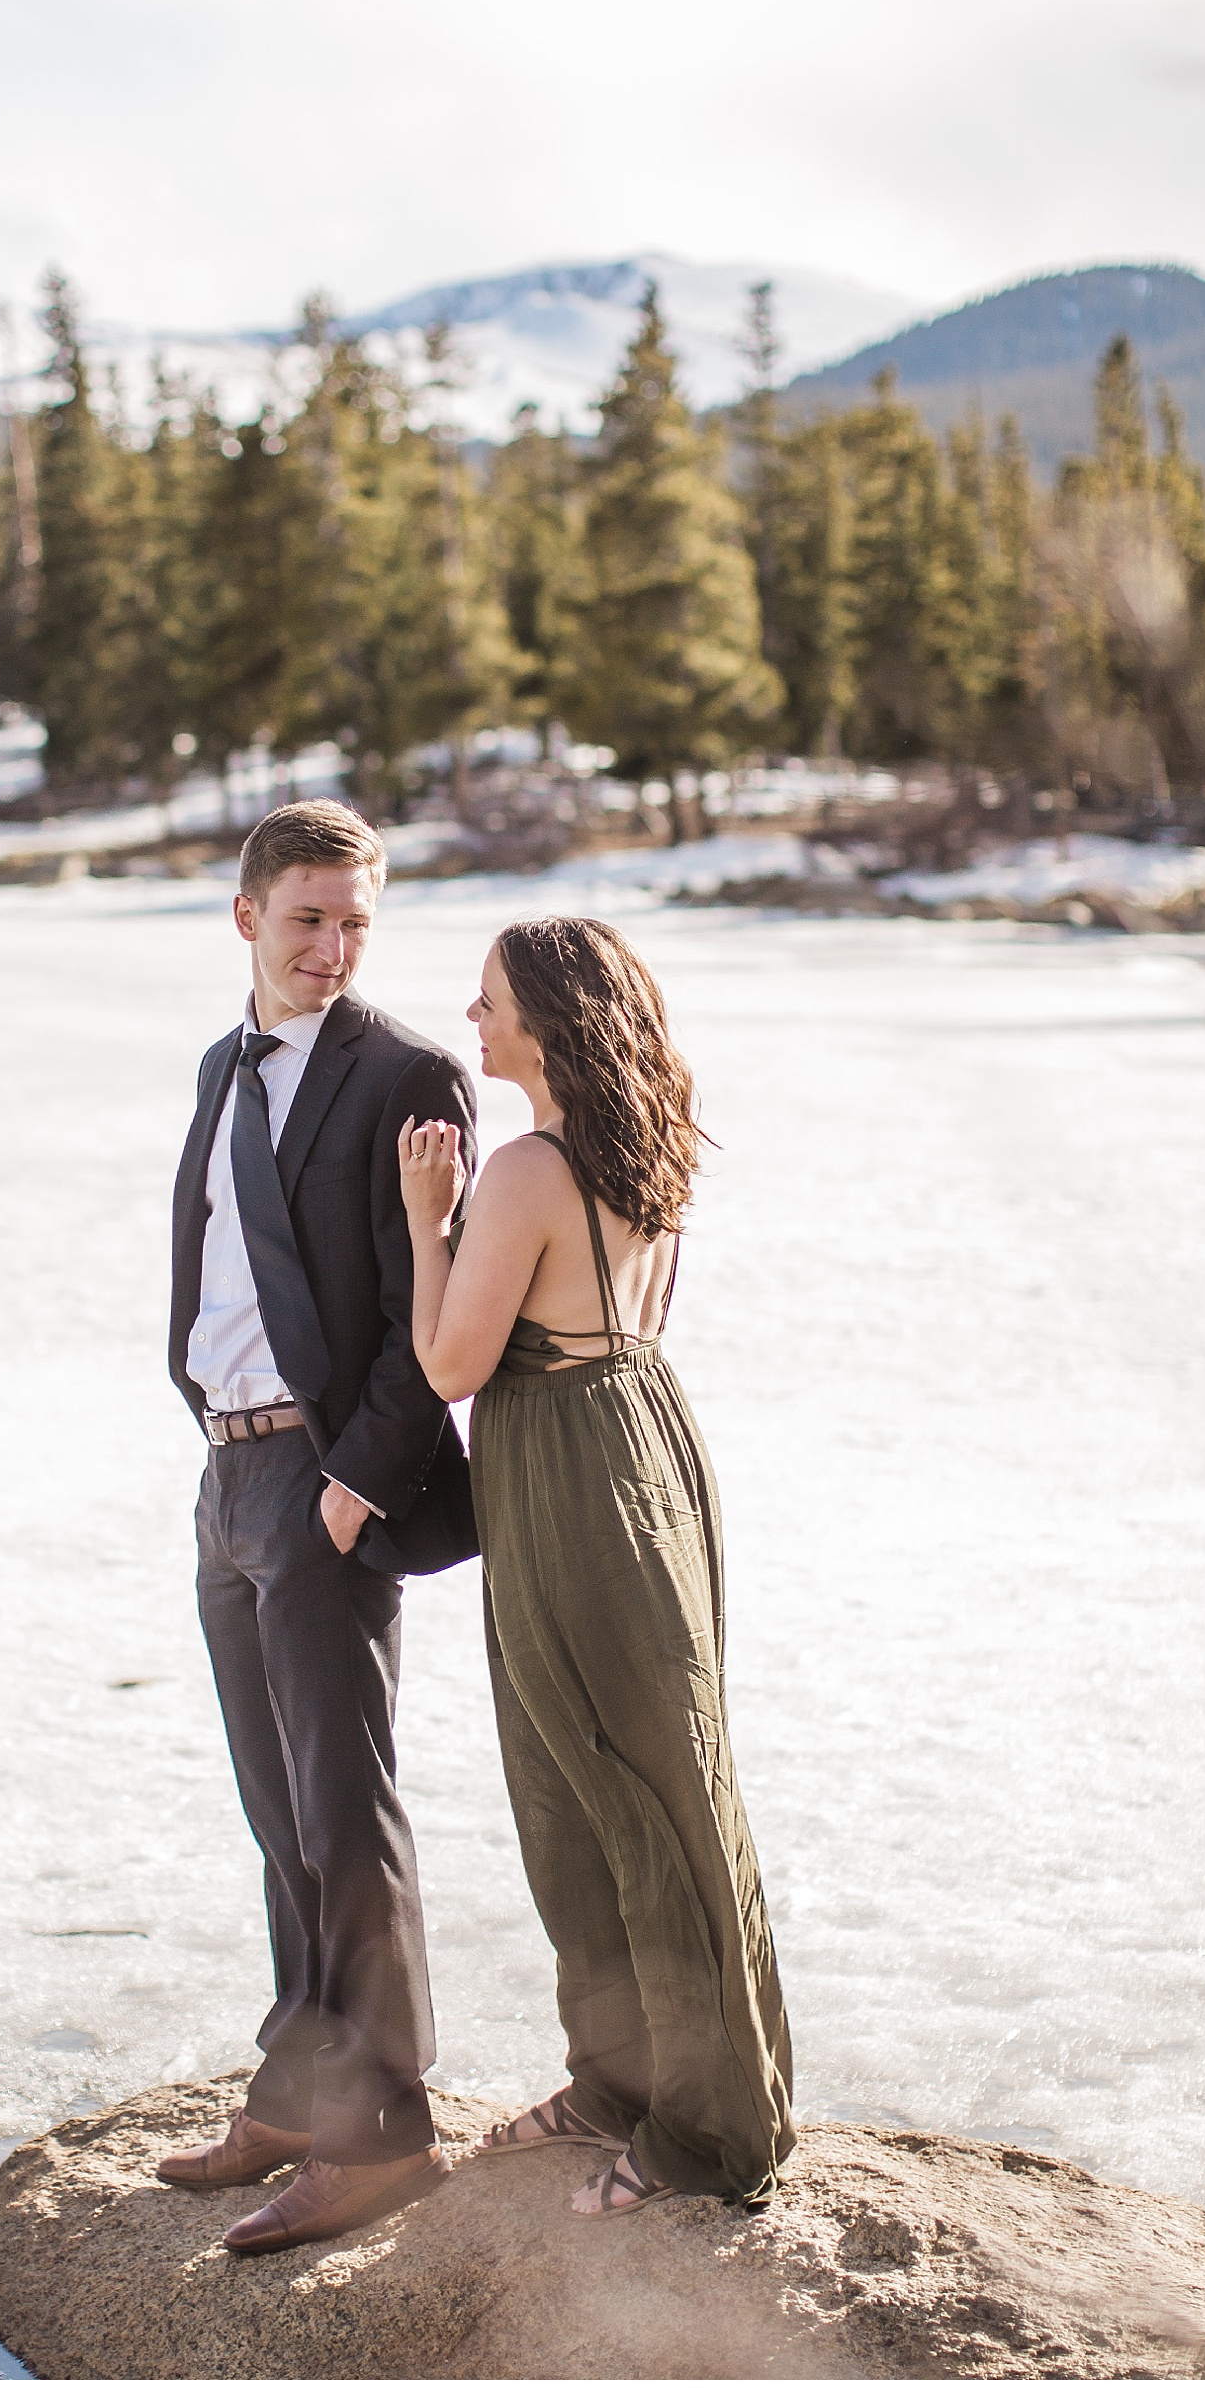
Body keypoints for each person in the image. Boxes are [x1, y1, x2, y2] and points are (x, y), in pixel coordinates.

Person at [396, 914, 794, 2219]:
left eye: (494, 998)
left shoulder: (520, 1173)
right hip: (641, 1438)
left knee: (632, 1791)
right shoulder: (646, 1142)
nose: (474, 1014)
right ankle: (616, 2080)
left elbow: (454, 1364)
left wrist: (425, 1222)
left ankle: (703, 2128)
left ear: (554, 1020)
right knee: (600, 1779)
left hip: (567, 1468)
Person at [159, 800, 478, 2257]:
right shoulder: (225, 1068)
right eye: (307, 918)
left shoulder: (410, 1070)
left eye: (355, 920)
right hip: (231, 1476)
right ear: (247, 918)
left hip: (324, 1479)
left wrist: (358, 1471)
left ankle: (386, 2131)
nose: (333, 948)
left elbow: (438, 1306)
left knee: (347, 1813)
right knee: (275, 1810)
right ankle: (298, 2090)